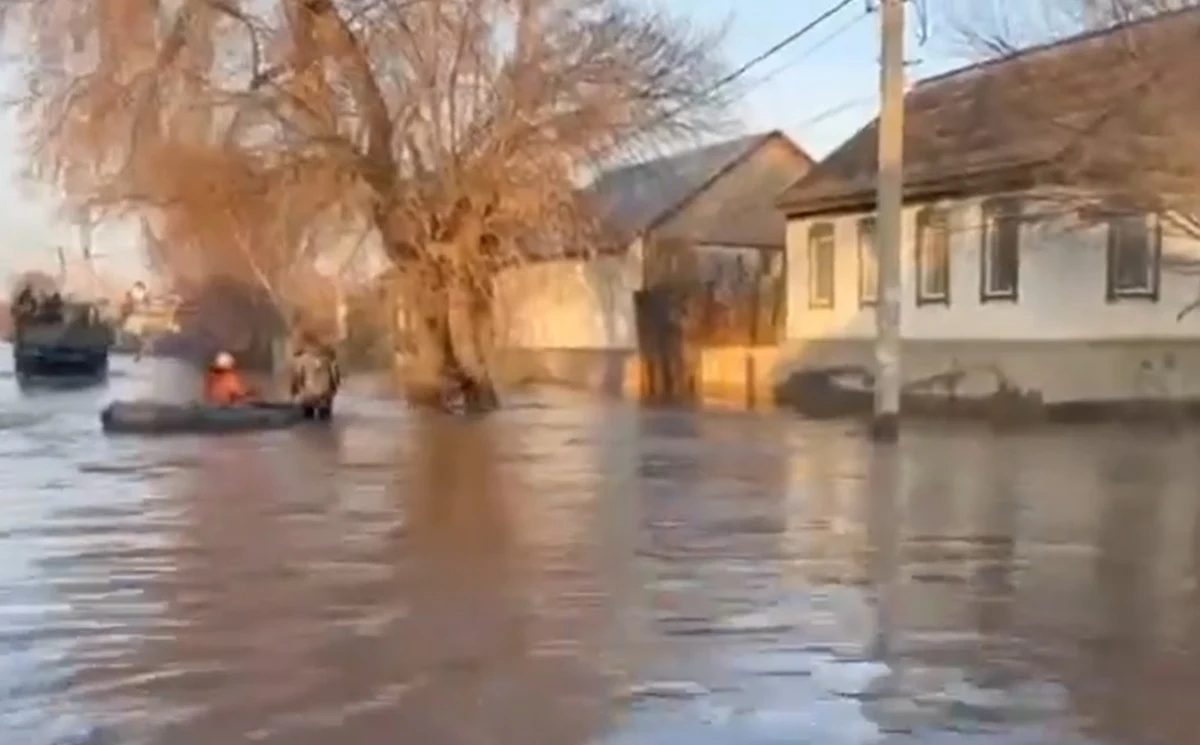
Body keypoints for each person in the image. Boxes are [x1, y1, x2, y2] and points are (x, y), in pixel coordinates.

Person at [289, 334, 340, 420]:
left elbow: (297, 376)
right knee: (324, 419)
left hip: (308, 394)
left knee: (308, 420)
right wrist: (334, 388)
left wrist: (294, 390)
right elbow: (334, 375)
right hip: (325, 393)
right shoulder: (328, 359)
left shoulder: (302, 359)